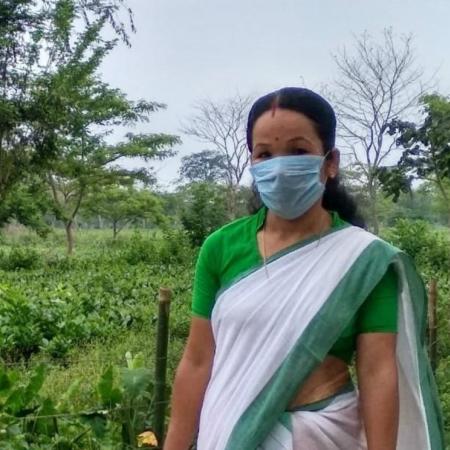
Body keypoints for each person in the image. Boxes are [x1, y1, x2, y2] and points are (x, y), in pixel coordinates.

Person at [164, 87, 444, 450]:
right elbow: (198, 360)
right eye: (264, 154)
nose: (279, 168)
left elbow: (377, 372)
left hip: (324, 433)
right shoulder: (220, 247)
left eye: (298, 151)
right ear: (252, 163)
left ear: (330, 162)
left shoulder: (364, 261)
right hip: (229, 430)